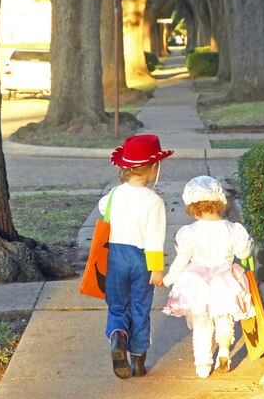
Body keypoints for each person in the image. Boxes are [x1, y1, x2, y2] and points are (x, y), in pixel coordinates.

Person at [162, 175, 255, 379]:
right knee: (224, 317)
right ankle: (223, 351)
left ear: (193, 207)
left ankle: (203, 365)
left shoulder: (190, 232)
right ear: (219, 201)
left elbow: (182, 259)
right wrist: (249, 244)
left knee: (202, 323)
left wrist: (168, 279)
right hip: (225, 280)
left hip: (198, 283)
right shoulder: (233, 229)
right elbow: (243, 254)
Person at [99, 134, 173, 379]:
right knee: (140, 307)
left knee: (118, 305)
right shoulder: (154, 201)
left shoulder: (113, 195)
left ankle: (118, 336)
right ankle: (137, 362)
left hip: (115, 257)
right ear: (153, 168)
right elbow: (155, 238)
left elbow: (103, 210)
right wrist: (157, 269)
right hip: (141, 259)